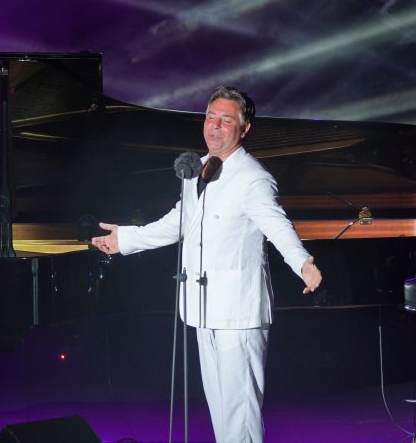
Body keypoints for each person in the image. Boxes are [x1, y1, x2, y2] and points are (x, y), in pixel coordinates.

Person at [92, 86, 323, 443]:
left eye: (226, 120)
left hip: (238, 314)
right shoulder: (197, 167)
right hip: (203, 307)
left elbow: (277, 225)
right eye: (211, 117)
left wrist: (302, 262)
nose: (214, 126)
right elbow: (179, 222)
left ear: (243, 129)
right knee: (220, 409)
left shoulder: (253, 178)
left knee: (240, 411)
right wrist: (124, 240)